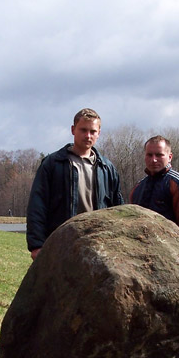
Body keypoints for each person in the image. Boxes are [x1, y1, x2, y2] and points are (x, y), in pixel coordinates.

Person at [26, 108, 124, 260]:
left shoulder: (107, 168)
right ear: (73, 130)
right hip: (60, 243)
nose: (88, 135)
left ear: (99, 133)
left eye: (92, 131)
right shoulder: (53, 164)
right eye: (83, 130)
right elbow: (37, 205)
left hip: (98, 245)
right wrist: (37, 244)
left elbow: (118, 209)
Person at [130, 135, 179, 247]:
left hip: (172, 253)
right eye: (149, 155)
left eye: (159, 155)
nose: (154, 160)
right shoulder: (138, 188)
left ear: (170, 156)